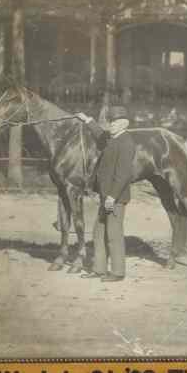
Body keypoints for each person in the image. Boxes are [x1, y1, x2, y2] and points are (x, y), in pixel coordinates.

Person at [76, 106, 136, 282]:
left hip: (114, 198)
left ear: (124, 124)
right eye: (110, 121)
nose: (111, 124)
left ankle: (118, 272)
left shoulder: (126, 143)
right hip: (105, 196)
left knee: (113, 234)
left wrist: (112, 197)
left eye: (114, 122)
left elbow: (123, 174)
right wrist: (87, 119)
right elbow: (100, 135)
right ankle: (99, 269)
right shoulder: (113, 138)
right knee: (98, 233)